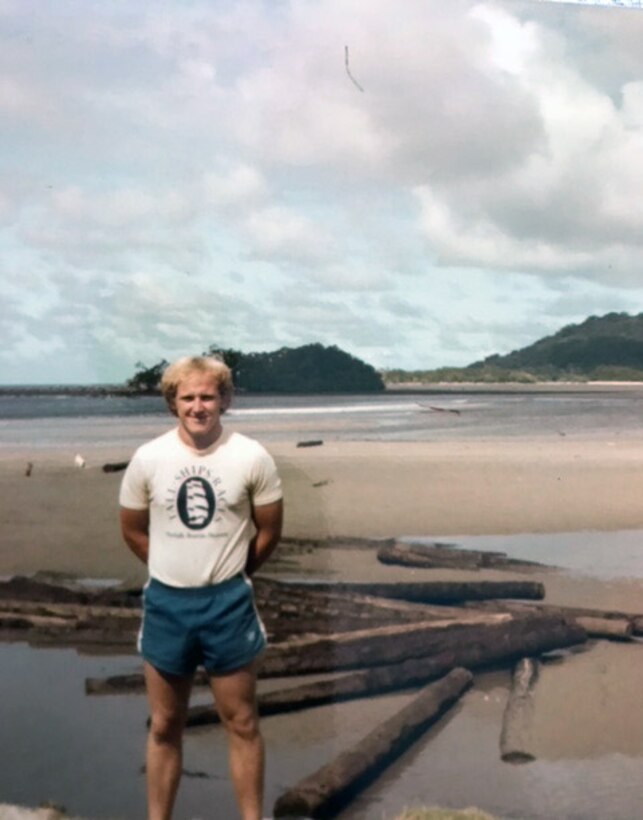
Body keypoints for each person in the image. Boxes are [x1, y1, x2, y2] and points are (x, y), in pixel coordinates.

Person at [119, 355, 283, 820]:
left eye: (207, 396)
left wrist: (234, 572)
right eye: (187, 397)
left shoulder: (251, 456)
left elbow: (268, 530)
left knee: (242, 721)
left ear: (225, 400)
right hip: (167, 604)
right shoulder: (149, 458)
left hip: (228, 604)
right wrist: (173, 566)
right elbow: (132, 529)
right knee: (166, 723)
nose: (198, 406)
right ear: (173, 403)